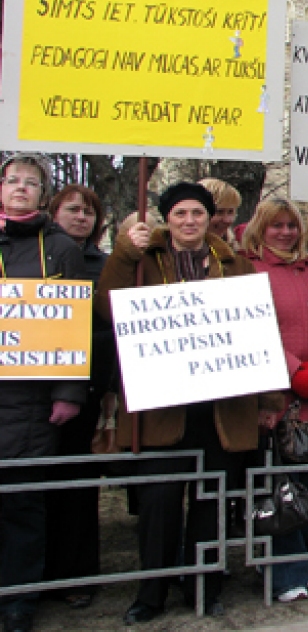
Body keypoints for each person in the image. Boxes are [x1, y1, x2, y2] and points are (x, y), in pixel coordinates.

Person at [96, 182, 274, 623]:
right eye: (180, 214)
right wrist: (123, 254)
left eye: (197, 212)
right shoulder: (143, 261)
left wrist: (268, 399)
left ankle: (204, 586)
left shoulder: (234, 266)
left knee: (212, 504)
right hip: (162, 410)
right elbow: (108, 307)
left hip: (222, 409)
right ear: (167, 219)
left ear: (208, 217)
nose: (190, 221)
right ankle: (151, 593)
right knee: (159, 505)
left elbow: (259, 332)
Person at [0, 154, 87, 632]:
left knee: (22, 503)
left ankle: (18, 600)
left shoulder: (59, 249)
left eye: (30, 183)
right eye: (12, 180)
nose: (20, 188)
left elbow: (72, 328)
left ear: (42, 193)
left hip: (32, 400)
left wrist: (68, 392)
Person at [241, 199, 308, 603]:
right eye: (276, 226)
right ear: (261, 228)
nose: (285, 232)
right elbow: (252, 331)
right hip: (276, 398)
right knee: (283, 491)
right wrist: (292, 368)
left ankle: (304, 559)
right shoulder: (248, 272)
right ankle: (286, 573)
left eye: (291, 225)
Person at [44, 184, 114, 608]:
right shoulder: (29, 259)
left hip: (87, 387)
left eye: (89, 212)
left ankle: (77, 576)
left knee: (78, 489)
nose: (81, 217)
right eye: (72, 209)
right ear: (53, 213)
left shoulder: (102, 266)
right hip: (31, 393)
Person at [198, 178, 241, 247]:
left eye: (230, 212)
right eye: (219, 212)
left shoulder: (234, 249)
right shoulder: (180, 253)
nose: (227, 220)